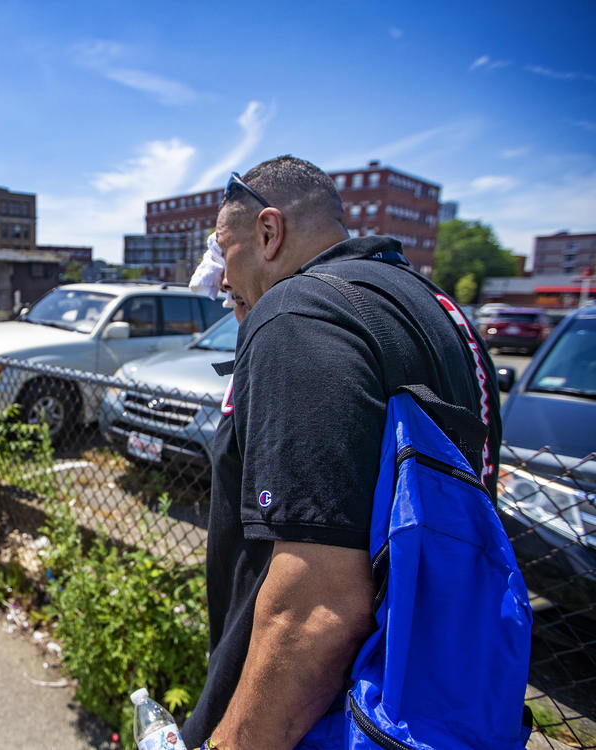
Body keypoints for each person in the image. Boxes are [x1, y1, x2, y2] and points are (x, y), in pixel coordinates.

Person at [181, 156, 500, 749]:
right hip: (426, 700)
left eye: (225, 251)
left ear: (268, 233)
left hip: (316, 718)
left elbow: (317, 605)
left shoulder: (296, 316)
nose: (222, 280)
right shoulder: (439, 310)